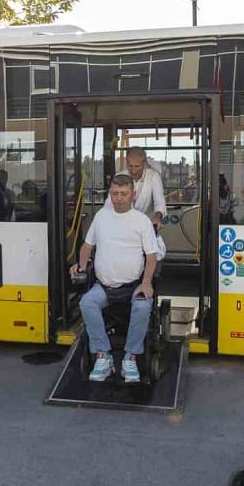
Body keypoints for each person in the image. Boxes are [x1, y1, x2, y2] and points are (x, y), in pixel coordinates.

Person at [69, 174, 157, 383]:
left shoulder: (142, 221)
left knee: (144, 307)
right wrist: (81, 265)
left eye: (123, 194)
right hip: (105, 287)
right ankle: (103, 356)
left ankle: (131, 357)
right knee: (87, 302)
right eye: (115, 194)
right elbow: (87, 246)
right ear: (110, 194)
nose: (119, 198)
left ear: (132, 195)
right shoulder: (101, 217)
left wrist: (146, 282)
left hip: (133, 286)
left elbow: (152, 256)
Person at [103, 146, 166, 229]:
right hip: (121, 225)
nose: (133, 170)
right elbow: (109, 203)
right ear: (127, 162)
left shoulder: (153, 177)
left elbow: (159, 202)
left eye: (137, 166)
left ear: (144, 163)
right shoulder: (119, 176)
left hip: (146, 226)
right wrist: (104, 219)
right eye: (130, 166)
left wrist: (157, 218)